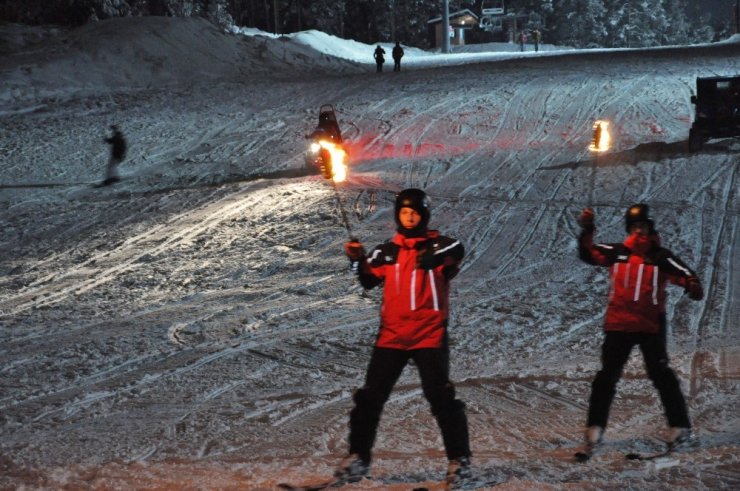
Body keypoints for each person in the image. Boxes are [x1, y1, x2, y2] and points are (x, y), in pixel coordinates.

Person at [338, 189, 472, 489]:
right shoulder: (387, 252)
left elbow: (457, 251)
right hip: (392, 336)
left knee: (440, 398)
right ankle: (358, 458)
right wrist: (357, 259)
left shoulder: (439, 244)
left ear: (424, 215)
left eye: (414, 213)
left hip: (429, 333)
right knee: (370, 398)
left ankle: (459, 461)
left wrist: (432, 256)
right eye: (404, 213)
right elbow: (368, 280)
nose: (409, 218)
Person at [577, 204, 704, 451]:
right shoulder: (617, 252)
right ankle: (594, 429)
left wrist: (692, 284)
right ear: (629, 228)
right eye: (635, 227)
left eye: (644, 226)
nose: (640, 232)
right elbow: (588, 252)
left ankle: (680, 428)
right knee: (606, 377)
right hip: (618, 325)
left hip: (650, 326)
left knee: (661, 375)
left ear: (650, 227)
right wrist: (587, 229)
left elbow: (685, 273)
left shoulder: (659, 256)